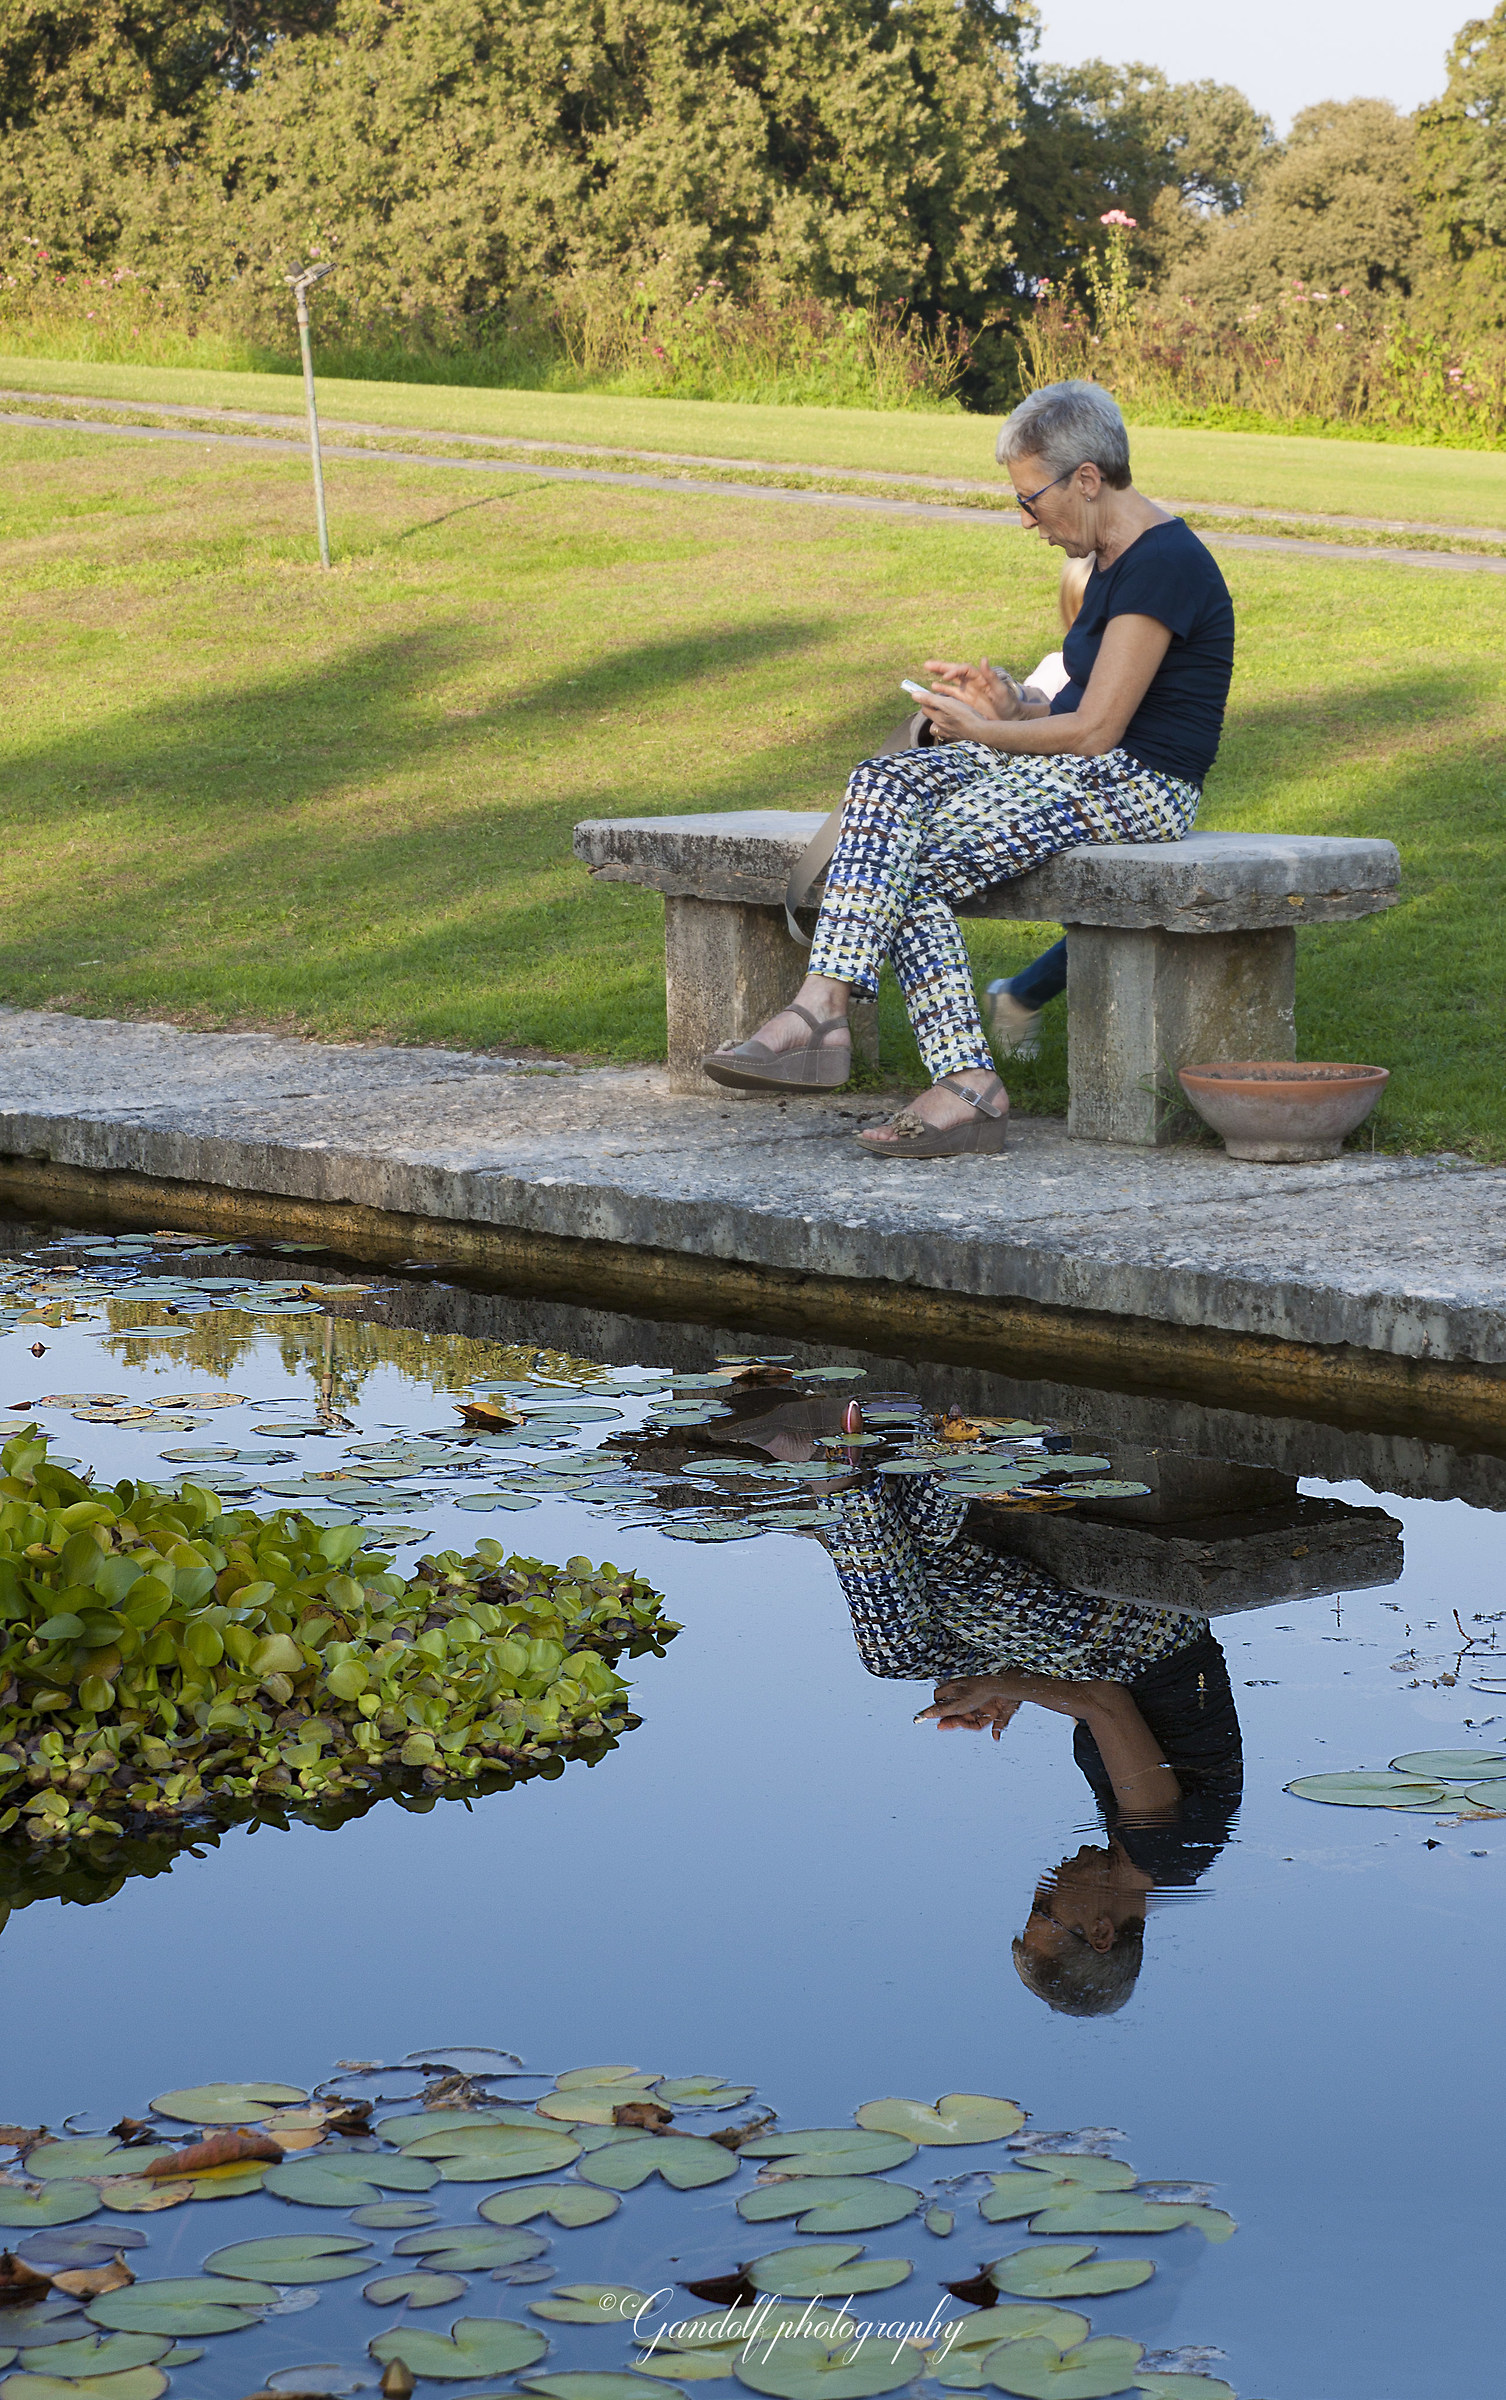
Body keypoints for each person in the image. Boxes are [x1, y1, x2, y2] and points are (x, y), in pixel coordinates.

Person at [702, 380, 1236, 1159]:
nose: (1027, 520)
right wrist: (1008, 707)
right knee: (882, 780)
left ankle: (899, 1053)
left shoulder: (1165, 564)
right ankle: (850, 1023)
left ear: (1087, 478)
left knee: (907, 866)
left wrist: (984, 731)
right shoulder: (1110, 557)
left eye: (1030, 499)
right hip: (1081, 770)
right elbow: (1077, 704)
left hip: (1138, 787)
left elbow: (1097, 731)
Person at [825, 1474, 1242, 2016]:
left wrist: (1013, 1684)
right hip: (1152, 1638)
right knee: (936, 1580)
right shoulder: (1165, 1855)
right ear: (1099, 1932)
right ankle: (875, 1465)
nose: (1043, 1887)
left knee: (902, 1651)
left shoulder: (1131, 1851)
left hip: (1102, 1654)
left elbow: (1100, 1701)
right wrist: (1006, 1682)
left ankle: (860, 1474)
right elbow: (1105, 1704)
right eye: (1045, 1907)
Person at [983, 555, 1091, 1062]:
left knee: (1101, 927)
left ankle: (1020, 993)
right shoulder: (1062, 667)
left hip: (1098, 811)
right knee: (1098, 926)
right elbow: (1031, 703)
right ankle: (1020, 993)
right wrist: (1008, 696)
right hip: (1055, 813)